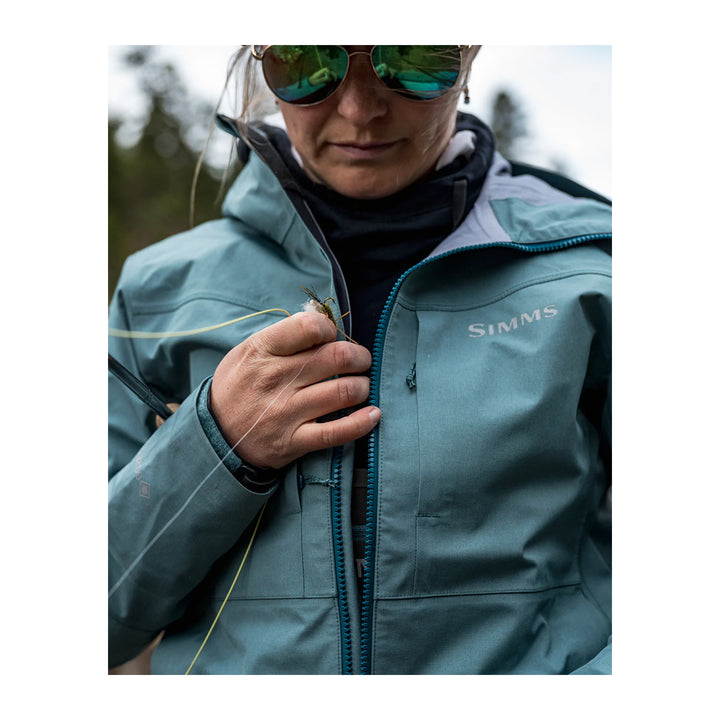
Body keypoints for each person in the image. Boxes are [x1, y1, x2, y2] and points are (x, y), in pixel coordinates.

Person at [108, 45, 611, 675]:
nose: (359, 110)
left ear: (469, 55)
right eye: (307, 65)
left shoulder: (596, 269)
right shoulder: (157, 292)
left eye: (412, 60)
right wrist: (217, 441)